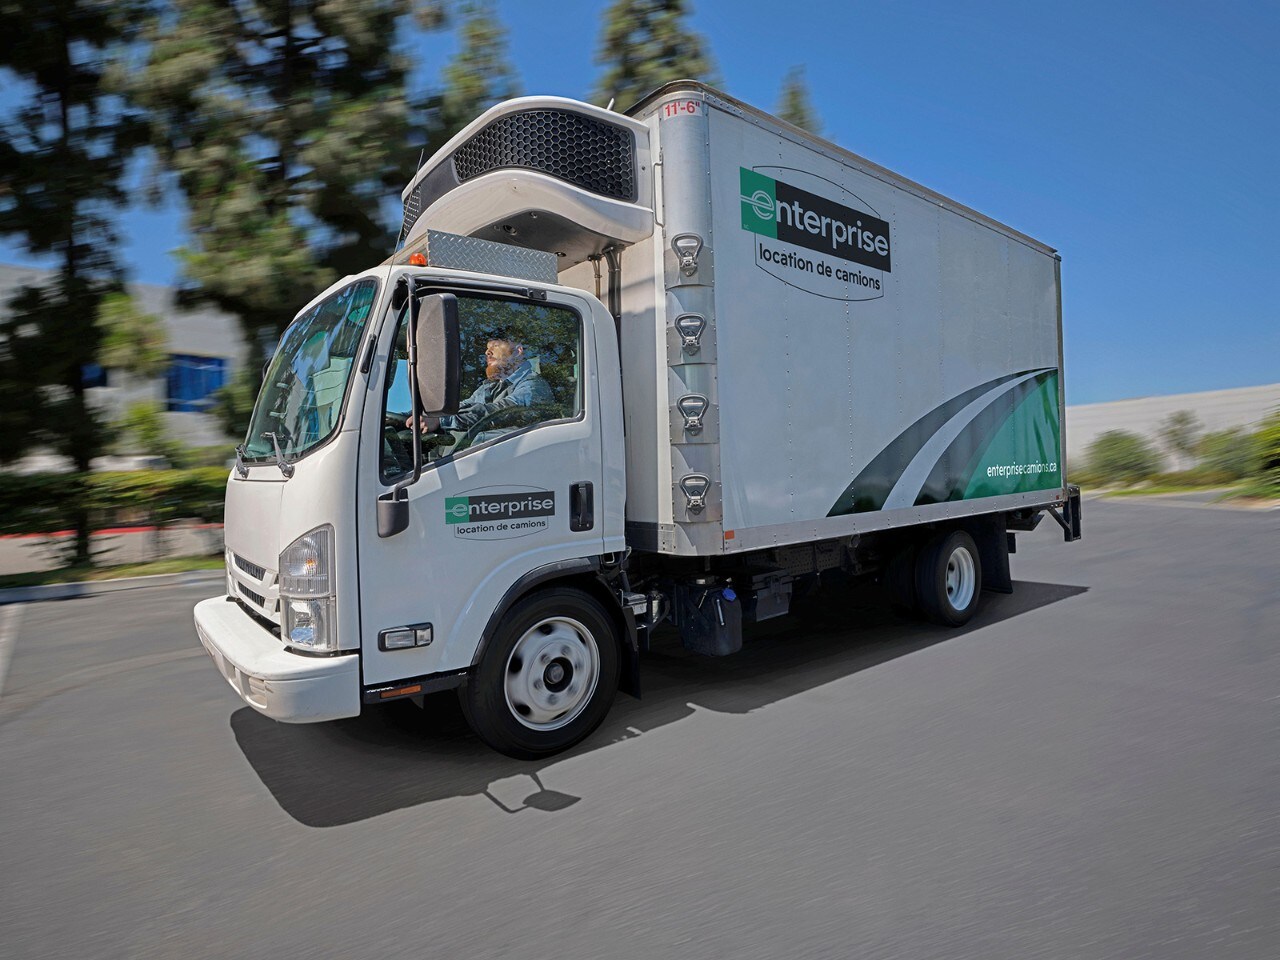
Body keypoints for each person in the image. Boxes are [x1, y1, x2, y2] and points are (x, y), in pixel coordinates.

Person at [410, 336, 553, 435]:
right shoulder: (489, 386)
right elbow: (462, 406)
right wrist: (418, 415)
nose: (487, 352)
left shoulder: (534, 385)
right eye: (486, 348)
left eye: (495, 346)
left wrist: (442, 420)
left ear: (517, 351)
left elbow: (502, 411)